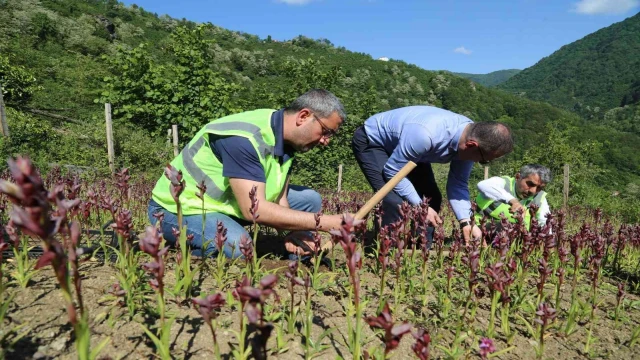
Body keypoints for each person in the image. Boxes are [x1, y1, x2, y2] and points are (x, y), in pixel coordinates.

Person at [148, 89, 347, 259]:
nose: (326, 141)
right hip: (179, 209)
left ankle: (301, 256)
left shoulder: (286, 137)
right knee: (239, 247)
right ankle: (167, 244)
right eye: (325, 131)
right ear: (303, 116)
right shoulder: (244, 139)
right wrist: (327, 222)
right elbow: (255, 209)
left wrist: (295, 233)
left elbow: (280, 199)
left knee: (309, 200)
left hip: (230, 203)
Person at [351, 106, 514, 243]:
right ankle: (384, 249)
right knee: (394, 199)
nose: (480, 163)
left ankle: (420, 246)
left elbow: (458, 183)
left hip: (411, 152)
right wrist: (421, 207)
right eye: (484, 160)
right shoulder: (425, 135)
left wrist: (466, 222)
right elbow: (393, 171)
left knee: (432, 197)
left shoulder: (470, 139)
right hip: (374, 142)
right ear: (471, 145)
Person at [475, 164, 551, 230]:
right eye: (530, 184)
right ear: (518, 177)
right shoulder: (503, 183)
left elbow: (544, 223)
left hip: (517, 241)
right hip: (477, 231)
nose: (533, 191)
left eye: (539, 188)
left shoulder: (539, 197)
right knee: (505, 227)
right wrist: (512, 201)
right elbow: (482, 185)